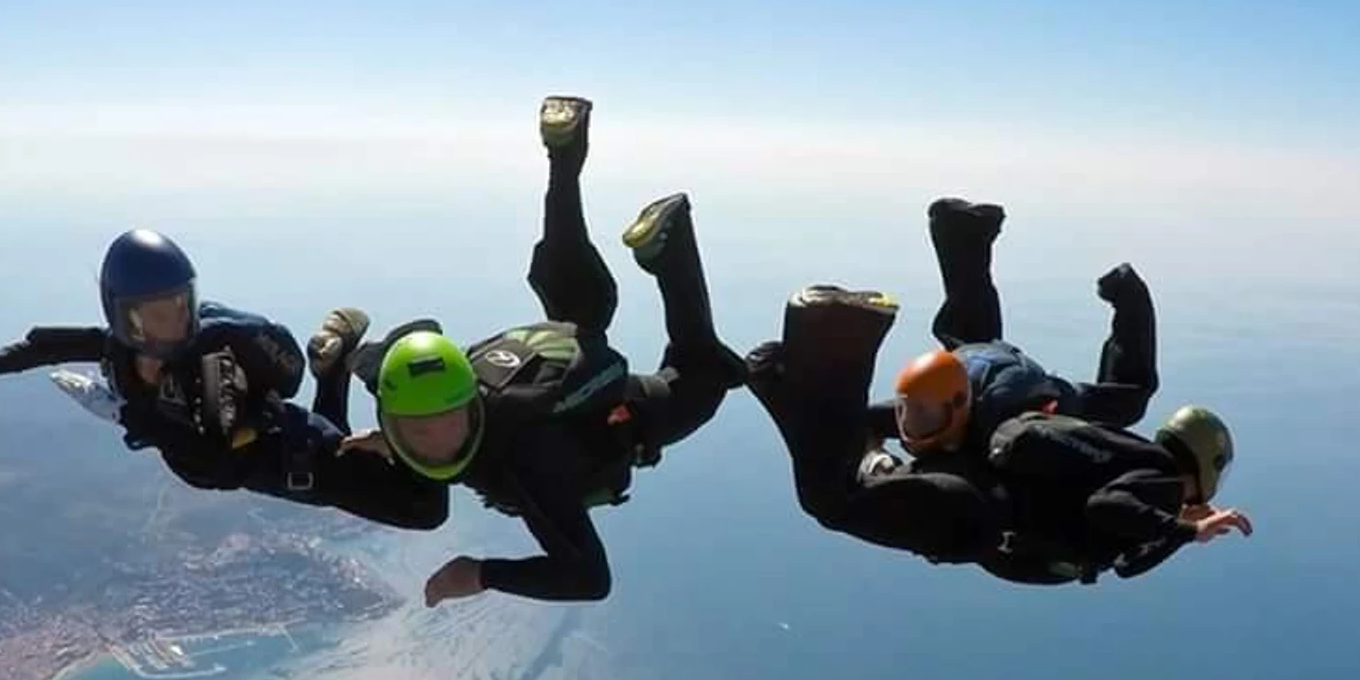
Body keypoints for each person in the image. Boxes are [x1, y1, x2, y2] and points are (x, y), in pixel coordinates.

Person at [337, 95, 746, 605]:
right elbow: (391, 363)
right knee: (576, 298)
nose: (439, 444)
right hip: (555, 353)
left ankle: (673, 243)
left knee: (701, 375)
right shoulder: (419, 378)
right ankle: (564, 157)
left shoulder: (529, 464)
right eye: (419, 432)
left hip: (628, 408)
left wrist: (480, 573)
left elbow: (589, 580)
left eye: (445, 423)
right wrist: (388, 438)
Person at [0, 230, 447, 530]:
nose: (174, 323)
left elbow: (270, 394)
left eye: (180, 306)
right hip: (254, 456)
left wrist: (127, 414)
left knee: (424, 510)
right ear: (123, 315)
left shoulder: (218, 342)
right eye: (156, 314)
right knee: (348, 452)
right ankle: (339, 364)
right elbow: (37, 348)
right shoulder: (114, 350)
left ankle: (383, 375)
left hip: (283, 452)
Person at [745, 283, 1251, 585]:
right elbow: (1109, 509)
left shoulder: (1133, 463)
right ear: (1203, 468)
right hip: (971, 516)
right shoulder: (1161, 480)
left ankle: (782, 380)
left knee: (846, 467)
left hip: (972, 492)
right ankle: (837, 333)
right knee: (832, 501)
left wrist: (1176, 528)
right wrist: (1186, 528)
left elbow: (1126, 554)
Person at [864, 196, 1161, 461]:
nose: (914, 428)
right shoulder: (926, 404)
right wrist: (875, 455)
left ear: (959, 404)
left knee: (1129, 400)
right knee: (968, 329)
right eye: (907, 413)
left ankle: (1129, 294)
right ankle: (960, 229)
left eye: (923, 418)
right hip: (972, 362)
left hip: (1024, 390)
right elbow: (863, 421)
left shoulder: (1014, 421)